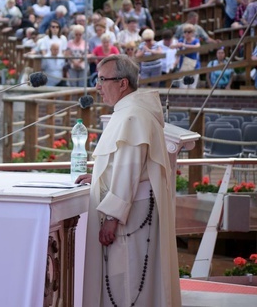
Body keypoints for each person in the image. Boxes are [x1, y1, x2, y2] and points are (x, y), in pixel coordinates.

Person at [76, 54, 181, 307]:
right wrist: (100, 176)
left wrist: (112, 218)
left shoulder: (133, 115)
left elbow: (129, 169)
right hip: (135, 208)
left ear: (123, 83)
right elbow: (122, 165)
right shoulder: (130, 112)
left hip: (131, 214)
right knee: (128, 280)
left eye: (102, 80)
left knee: (127, 282)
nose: (97, 87)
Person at [172, 23, 201, 88]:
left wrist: (184, 45)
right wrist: (177, 45)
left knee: (192, 87)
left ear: (193, 33)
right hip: (183, 67)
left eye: (189, 32)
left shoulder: (196, 40)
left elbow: (197, 46)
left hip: (194, 67)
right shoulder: (181, 40)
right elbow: (172, 47)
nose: (187, 33)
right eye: (185, 32)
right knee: (183, 87)